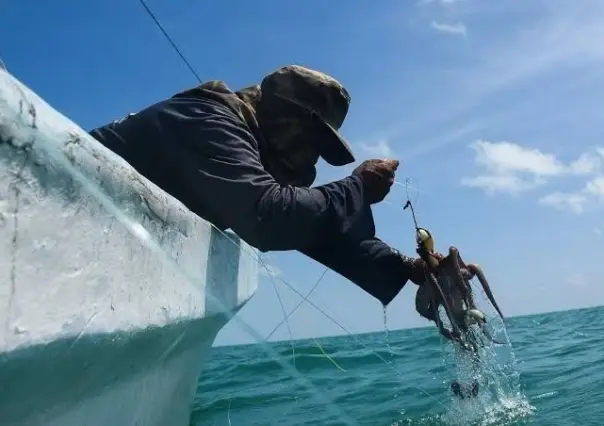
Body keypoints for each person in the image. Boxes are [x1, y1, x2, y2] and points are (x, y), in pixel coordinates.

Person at [89, 64, 429, 306]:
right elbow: (268, 217)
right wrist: (357, 188)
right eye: (315, 143)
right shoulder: (207, 120)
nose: (313, 161)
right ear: (286, 118)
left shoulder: (240, 151)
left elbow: (311, 230)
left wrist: (409, 269)